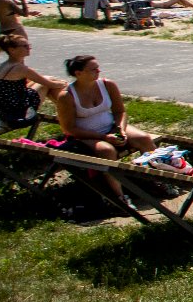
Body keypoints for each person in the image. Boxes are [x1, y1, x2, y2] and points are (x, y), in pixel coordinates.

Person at [57, 55, 157, 198]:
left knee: (144, 138)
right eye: (93, 69)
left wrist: (119, 128)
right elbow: (69, 129)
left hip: (111, 126)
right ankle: (119, 195)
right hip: (86, 135)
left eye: (97, 68)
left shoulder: (107, 85)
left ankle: (155, 181)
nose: (99, 71)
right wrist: (103, 137)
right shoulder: (66, 96)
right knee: (107, 151)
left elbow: (120, 111)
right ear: (78, 73)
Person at [0, 33, 62, 130]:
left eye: (29, 45)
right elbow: (50, 84)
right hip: (19, 115)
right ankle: (68, 112)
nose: (29, 48)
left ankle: (67, 110)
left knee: (45, 80)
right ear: (12, 50)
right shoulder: (20, 68)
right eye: (25, 46)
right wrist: (65, 84)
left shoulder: (1, 66)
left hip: (3, 111)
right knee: (48, 82)